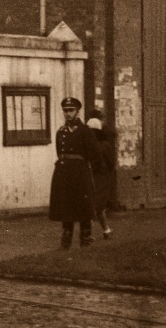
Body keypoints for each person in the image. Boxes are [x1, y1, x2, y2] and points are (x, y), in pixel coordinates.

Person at [48, 96, 102, 248]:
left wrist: (88, 170)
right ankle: (66, 241)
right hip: (64, 174)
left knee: (83, 206)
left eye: (71, 110)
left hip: (80, 174)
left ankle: (85, 239)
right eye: (65, 111)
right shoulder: (61, 132)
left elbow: (95, 155)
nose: (68, 114)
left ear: (77, 112)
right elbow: (60, 153)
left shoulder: (85, 131)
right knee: (66, 207)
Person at [86, 108, 117, 239]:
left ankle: (90, 233)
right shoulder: (105, 144)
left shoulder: (88, 144)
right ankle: (106, 230)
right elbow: (112, 162)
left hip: (94, 176)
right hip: (102, 177)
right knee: (98, 206)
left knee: (93, 206)